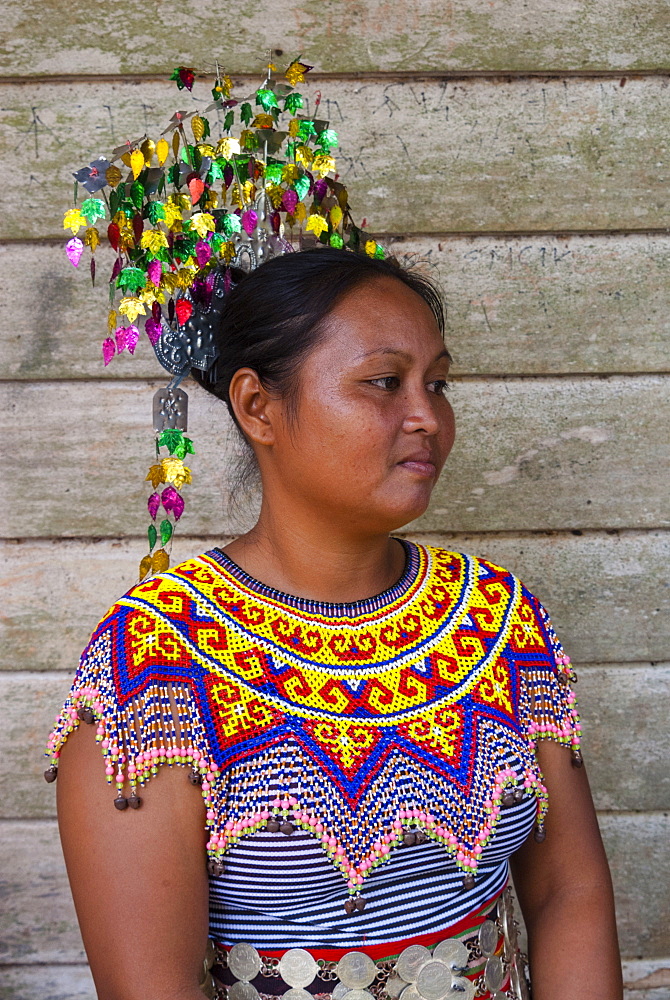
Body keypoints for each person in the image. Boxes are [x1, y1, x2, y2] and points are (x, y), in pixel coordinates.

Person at [47, 247, 622, 1000]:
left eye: (437, 383)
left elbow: (567, 896)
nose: (428, 416)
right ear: (258, 407)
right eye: (385, 383)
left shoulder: (497, 615)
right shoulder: (154, 662)